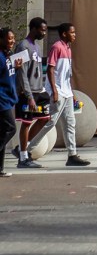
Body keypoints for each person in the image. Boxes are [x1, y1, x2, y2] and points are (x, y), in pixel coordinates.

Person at [27, 22, 89, 166]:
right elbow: (50, 69)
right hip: (57, 92)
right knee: (51, 122)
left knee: (70, 124)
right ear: (64, 34)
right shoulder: (57, 47)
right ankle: (27, 150)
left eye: (75, 32)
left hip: (66, 93)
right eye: (72, 33)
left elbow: (66, 75)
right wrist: (54, 91)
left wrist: (71, 93)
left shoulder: (68, 48)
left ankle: (72, 155)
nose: (75, 35)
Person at [13, 17, 51, 169]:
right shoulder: (23, 46)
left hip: (38, 90)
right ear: (34, 29)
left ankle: (23, 147)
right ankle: (23, 158)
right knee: (26, 123)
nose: (44, 33)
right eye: (42, 30)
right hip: (26, 92)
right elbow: (21, 73)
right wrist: (29, 96)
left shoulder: (37, 46)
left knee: (45, 118)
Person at [1, 28, 21, 178]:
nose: (12, 41)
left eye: (13, 38)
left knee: (2, 132)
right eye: (9, 38)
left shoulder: (7, 56)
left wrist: (15, 67)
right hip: (2, 101)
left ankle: (0, 169)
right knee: (10, 128)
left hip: (8, 99)